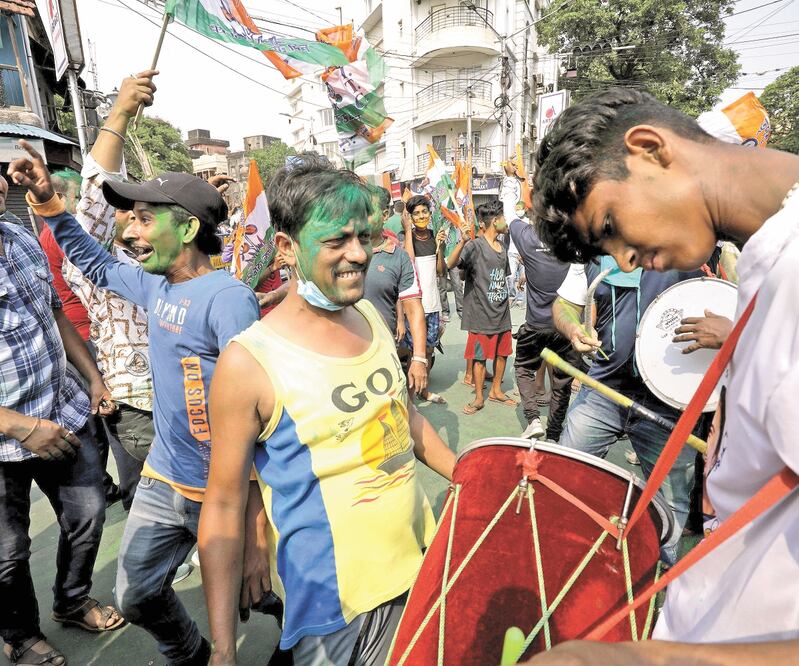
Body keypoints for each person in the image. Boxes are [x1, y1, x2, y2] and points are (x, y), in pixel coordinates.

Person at [523, 87, 799, 663]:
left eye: (610, 224)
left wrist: (653, 659)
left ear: (648, 149)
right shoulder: (763, 263)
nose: (623, 260)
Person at [9, 139, 262, 666]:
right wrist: (47, 202)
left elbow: (261, 414)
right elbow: (95, 264)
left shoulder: (229, 300)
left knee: (258, 593)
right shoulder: (156, 286)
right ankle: (188, 654)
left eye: (145, 219)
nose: (130, 232)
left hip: (222, 491)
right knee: (136, 595)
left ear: (189, 228)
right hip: (163, 478)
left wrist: (256, 523)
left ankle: (287, 638)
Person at [198, 157, 455, 666]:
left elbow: (402, 418)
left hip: (420, 564)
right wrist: (224, 649)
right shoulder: (248, 362)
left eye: (364, 236)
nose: (358, 254)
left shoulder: (365, 314)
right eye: (336, 240)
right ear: (287, 248)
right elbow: (223, 505)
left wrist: (470, 474)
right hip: (335, 607)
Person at [0, 179, 123, 666]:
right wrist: (20, 426)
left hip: (63, 411)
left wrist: (91, 376)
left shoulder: (20, 237)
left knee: (88, 516)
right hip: (7, 438)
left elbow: (54, 314)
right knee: (8, 552)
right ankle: (20, 636)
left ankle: (72, 600)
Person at [508, 210, 577, 441]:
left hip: (536, 325)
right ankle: (554, 434)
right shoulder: (572, 241)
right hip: (566, 327)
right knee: (562, 382)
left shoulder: (527, 237)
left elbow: (512, 218)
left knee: (523, 368)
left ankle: (533, 419)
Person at [445, 199, 515, 415]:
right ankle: (478, 397)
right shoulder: (474, 246)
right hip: (480, 315)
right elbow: (451, 264)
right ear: (495, 221)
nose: (506, 221)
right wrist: (463, 241)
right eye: (503, 217)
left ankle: (496, 390)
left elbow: (503, 276)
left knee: (503, 354)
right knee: (479, 358)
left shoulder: (502, 247)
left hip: (502, 314)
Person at [363, 185, 428, 396]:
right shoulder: (343, 251)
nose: (359, 217)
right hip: (347, 351)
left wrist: (418, 358)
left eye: (366, 211)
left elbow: (414, 308)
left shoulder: (399, 257)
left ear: (383, 215)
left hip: (384, 350)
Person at [399, 195, 448, 404]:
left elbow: (440, 271)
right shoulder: (405, 238)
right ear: (409, 217)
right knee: (413, 352)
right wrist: (408, 230)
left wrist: (441, 247)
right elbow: (408, 262)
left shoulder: (434, 236)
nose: (421, 216)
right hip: (413, 305)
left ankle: (423, 390)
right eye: (416, 213)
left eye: (424, 212)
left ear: (430, 213)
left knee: (427, 350)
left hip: (432, 304)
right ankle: (410, 395)